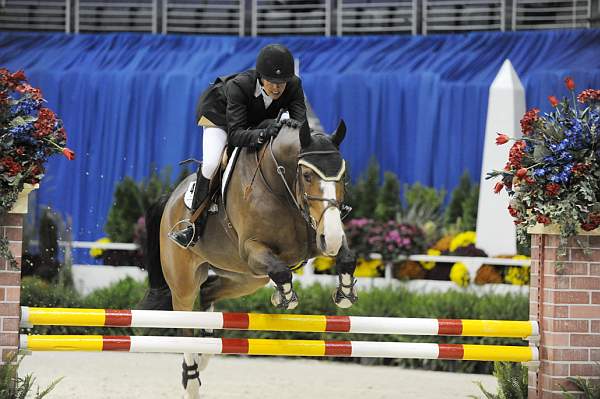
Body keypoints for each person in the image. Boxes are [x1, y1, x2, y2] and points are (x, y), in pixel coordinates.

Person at [170, 43, 308, 248]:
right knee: (212, 163)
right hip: (220, 116)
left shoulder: (294, 85)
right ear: (261, 77)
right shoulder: (240, 86)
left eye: (282, 82)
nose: (277, 88)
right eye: (272, 82)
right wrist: (263, 133)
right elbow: (235, 135)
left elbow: (301, 127)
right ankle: (192, 224)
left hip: (255, 120)